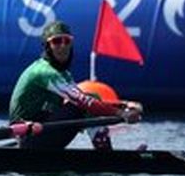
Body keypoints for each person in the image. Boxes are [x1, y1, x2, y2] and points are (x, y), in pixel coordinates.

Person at [8, 20, 142, 150]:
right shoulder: (45, 72)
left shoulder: (63, 74)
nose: (63, 46)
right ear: (47, 46)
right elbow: (83, 101)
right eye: (56, 41)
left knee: (90, 100)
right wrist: (121, 113)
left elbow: (87, 100)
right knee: (85, 103)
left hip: (41, 132)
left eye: (67, 41)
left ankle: (106, 156)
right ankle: (107, 157)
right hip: (29, 138)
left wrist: (124, 105)